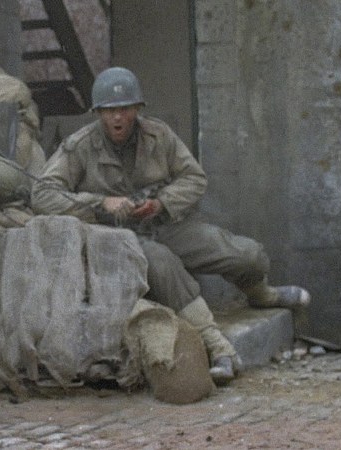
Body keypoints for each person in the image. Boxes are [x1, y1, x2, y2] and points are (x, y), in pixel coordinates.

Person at [30, 67, 310, 384]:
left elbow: (194, 178)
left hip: (164, 223)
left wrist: (161, 203)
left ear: (137, 109)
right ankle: (217, 346)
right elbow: (42, 195)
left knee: (247, 255)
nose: (117, 118)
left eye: (125, 109)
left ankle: (261, 294)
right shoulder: (79, 146)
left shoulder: (159, 136)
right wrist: (100, 203)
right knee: (163, 264)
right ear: (98, 113)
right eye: (109, 111)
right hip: (116, 238)